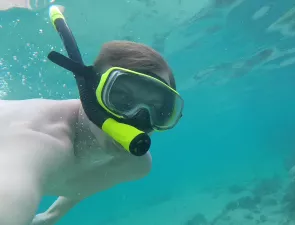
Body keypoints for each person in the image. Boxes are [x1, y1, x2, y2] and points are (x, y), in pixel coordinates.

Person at [0, 6, 184, 225]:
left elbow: (84, 183)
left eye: (157, 109)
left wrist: (51, 216)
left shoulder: (133, 165)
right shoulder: (37, 142)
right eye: (121, 98)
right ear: (90, 89)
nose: (136, 120)